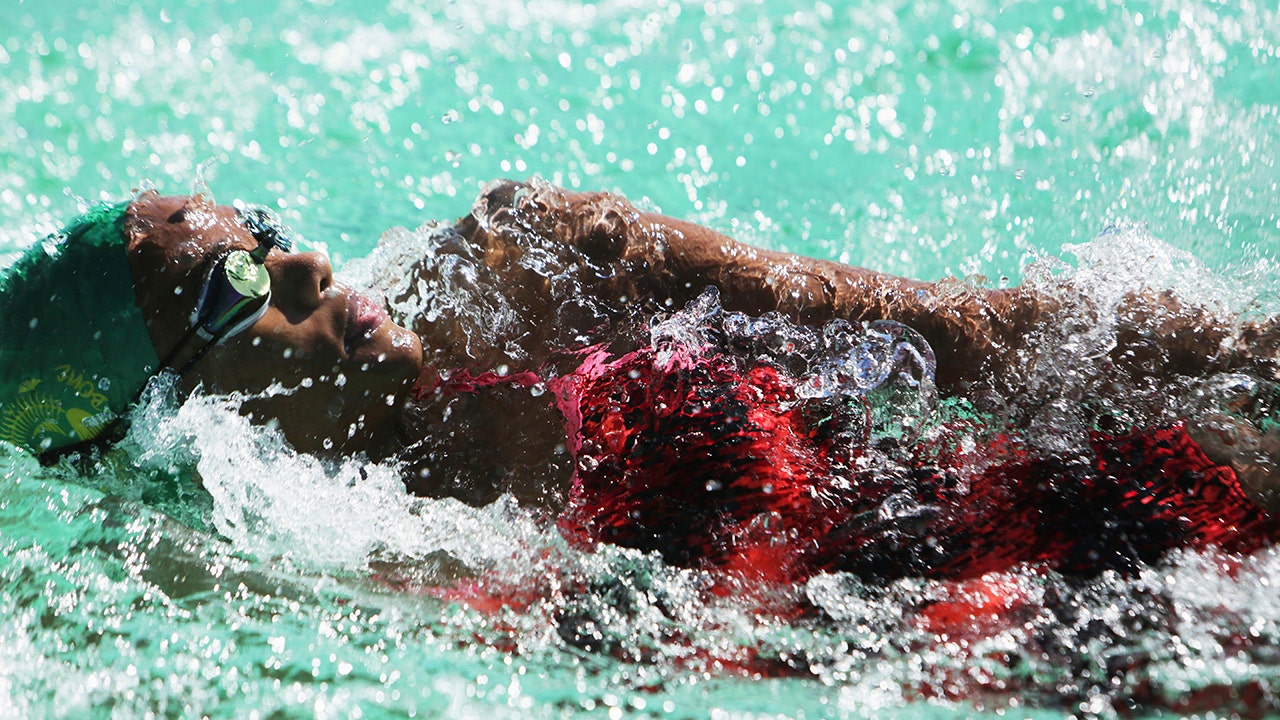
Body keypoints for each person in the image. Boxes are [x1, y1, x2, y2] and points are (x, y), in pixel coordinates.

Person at [2, 179, 1278, 583]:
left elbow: (975, 339)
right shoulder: (304, 565)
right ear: (169, 420)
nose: (303, 266)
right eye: (232, 287)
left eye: (268, 232)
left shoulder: (530, 275)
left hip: (1118, 502)